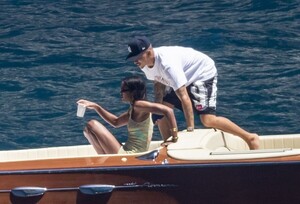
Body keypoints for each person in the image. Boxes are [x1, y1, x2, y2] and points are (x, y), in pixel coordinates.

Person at [126, 36, 259, 150]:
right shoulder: (144, 64)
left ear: (149, 52)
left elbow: (184, 96)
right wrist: (158, 106)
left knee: (207, 120)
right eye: (133, 58)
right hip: (181, 78)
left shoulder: (168, 65)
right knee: (160, 114)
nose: (135, 61)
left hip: (201, 74)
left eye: (137, 57)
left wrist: (190, 129)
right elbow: (158, 82)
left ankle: (249, 137)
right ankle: (169, 145)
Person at [77, 75, 178, 154]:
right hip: (127, 150)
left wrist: (174, 137)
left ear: (133, 92)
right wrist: (96, 106)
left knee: (92, 124)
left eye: (124, 90)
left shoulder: (139, 105)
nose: (121, 93)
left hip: (131, 154)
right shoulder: (134, 108)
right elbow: (115, 122)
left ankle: (107, 163)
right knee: (88, 130)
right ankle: (106, 162)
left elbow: (168, 111)